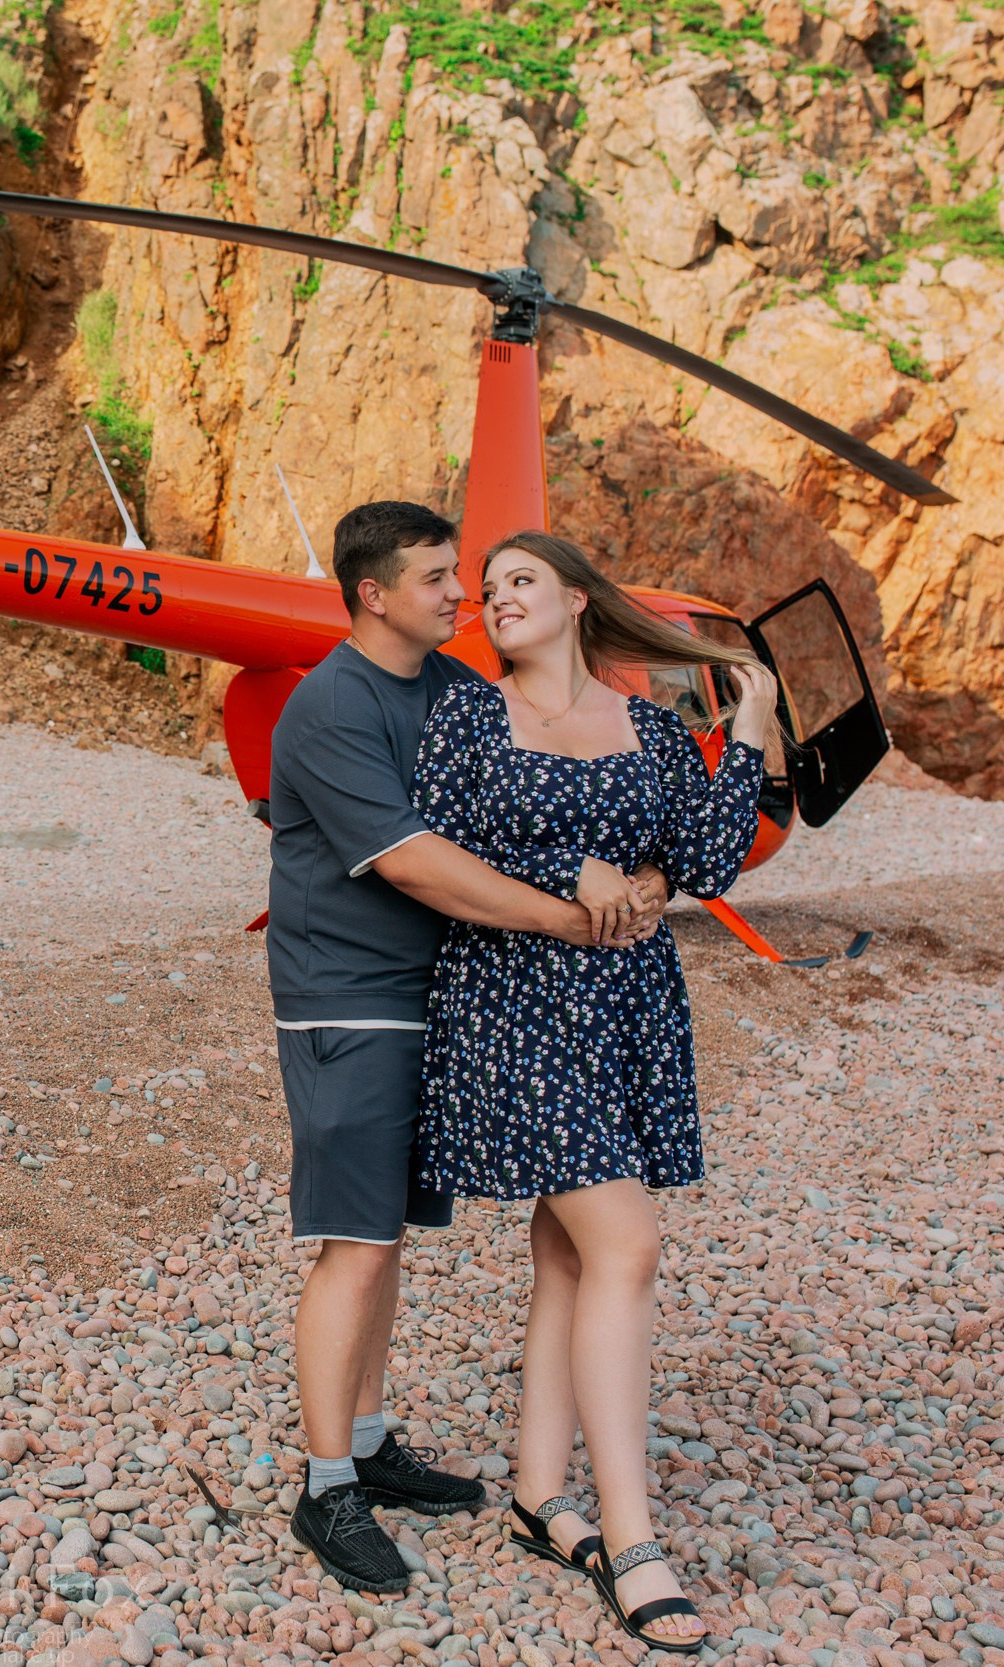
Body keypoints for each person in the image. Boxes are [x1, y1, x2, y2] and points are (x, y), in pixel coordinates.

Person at [265, 502, 670, 1595]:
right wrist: (566, 910)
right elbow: (415, 863)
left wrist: (627, 870)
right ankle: (326, 1486)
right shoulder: (329, 704)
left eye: (466, 576)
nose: (464, 595)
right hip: (349, 1000)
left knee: (385, 1231)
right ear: (373, 593)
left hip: (442, 994)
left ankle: (368, 1431)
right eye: (439, 578)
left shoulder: (452, 693)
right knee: (352, 1239)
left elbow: (538, 802)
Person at [412, 530, 779, 1652]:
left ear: (576, 599)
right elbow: (439, 830)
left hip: (621, 1006)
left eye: (520, 580)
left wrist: (751, 711)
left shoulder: (651, 730)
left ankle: (538, 1492)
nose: (496, 598)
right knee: (626, 1242)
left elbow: (712, 854)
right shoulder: (470, 715)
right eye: (486, 590)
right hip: (510, 1002)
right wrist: (565, 865)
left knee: (570, 1250)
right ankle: (632, 1539)